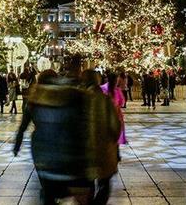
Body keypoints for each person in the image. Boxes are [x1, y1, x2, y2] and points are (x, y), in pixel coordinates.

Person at [14, 58, 93, 205]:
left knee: (49, 192)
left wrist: (17, 144)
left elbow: (23, 126)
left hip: (43, 156)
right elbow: (85, 126)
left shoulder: (35, 99)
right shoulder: (72, 96)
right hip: (69, 157)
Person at [81, 69, 121, 205]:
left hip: (84, 151)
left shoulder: (79, 99)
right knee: (104, 184)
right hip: (104, 150)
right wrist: (112, 143)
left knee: (87, 185)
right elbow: (116, 126)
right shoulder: (105, 100)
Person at [101, 72, 127, 146]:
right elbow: (122, 101)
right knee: (115, 134)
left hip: (105, 113)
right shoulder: (117, 90)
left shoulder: (103, 88)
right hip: (116, 114)